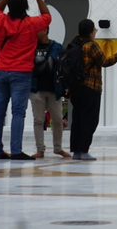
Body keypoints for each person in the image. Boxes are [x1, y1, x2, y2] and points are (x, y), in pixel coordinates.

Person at [0, 0, 51, 160]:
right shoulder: (31, 24)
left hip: (1, 71)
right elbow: (47, 17)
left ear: (9, 5)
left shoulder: (0, 20)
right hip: (21, 73)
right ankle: (16, 150)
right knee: (18, 112)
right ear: (25, 5)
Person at [69, 19, 117, 160]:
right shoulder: (91, 46)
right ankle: (84, 150)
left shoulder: (74, 44)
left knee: (77, 119)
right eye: (94, 30)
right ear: (90, 32)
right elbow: (104, 61)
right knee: (90, 120)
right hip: (90, 88)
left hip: (76, 88)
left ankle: (76, 151)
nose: (95, 32)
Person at [29, 28, 70, 158]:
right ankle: (40, 149)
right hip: (36, 89)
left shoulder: (56, 47)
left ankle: (58, 148)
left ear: (46, 30)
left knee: (57, 119)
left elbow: (64, 65)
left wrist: (65, 84)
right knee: (38, 120)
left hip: (54, 89)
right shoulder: (31, 47)